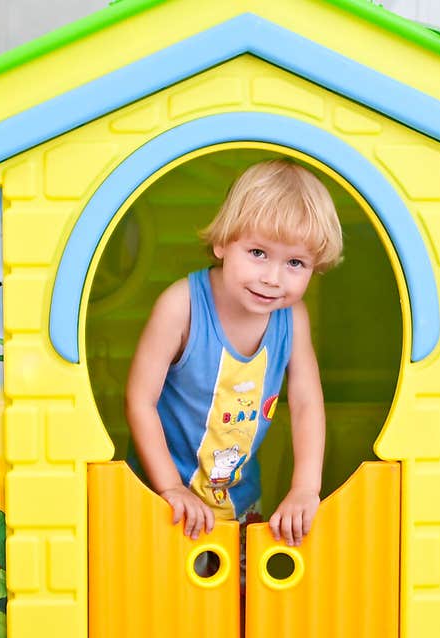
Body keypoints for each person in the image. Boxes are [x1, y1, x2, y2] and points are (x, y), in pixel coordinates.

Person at [125, 158, 343, 558]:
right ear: (223, 242)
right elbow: (141, 400)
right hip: (158, 499)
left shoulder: (292, 319)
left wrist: (305, 488)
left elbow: (307, 402)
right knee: (165, 605)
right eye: (258, 252)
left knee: (239, 606)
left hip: (239, 505)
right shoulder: (182, 306)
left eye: (295, 262)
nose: (273, 278)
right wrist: (169, 487)